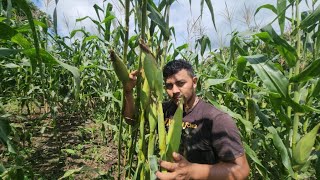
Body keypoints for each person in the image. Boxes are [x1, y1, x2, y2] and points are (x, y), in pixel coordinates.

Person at [123, 59, 250, 179]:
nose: (175, 91)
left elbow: (241, 170)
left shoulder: (215, 119)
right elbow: (131, 120)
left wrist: (191, 171)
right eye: (169, 86)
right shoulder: (163, 111)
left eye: (180, 83)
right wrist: (128, 91)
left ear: (194, 82)